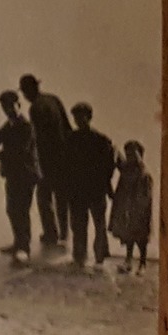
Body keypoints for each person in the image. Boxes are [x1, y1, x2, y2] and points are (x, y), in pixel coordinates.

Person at [0, 89, 39, 263]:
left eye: (10, 105)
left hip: (26, 174)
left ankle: (24, 247)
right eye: (4, 106)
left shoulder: (26, 127)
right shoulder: (10, 125)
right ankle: (18, 242)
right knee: (12, 209)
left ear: (18, 105)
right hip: (14, 175)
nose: (7, 109)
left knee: (21, 210)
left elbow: (18, 153)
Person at [20, 73, 72, 248]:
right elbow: (67, 127)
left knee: (43, 197)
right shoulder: (53, 99)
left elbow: (39, 139)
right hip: (64, 156)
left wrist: (36, 162)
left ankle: (51, 233)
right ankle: (65, 234)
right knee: (62, 197)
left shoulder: (35, 108)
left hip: (48, 160)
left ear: (28, 92)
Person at [63, 102, 115, 267]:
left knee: (99, 224)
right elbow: (65, 166)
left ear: (89, 117)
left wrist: (106, 185)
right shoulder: (71, 139)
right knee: (79, 225)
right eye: (76, 117)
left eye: (81, 117)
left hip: (95, 190)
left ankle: (99, 256)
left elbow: (109, 166)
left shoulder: (101, 140)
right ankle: (80, 257)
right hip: (79, 190)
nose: (78, 120)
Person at [109, 140, 153, 274]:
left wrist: (138, 209)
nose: (130, 157)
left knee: (141, 238)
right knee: (128, 237)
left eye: (133, 153)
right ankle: (128, 261)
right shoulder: (127, 171)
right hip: (127, 209)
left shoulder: (144, 174)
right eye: (128, 154)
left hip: (140, 211)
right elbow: (121, 189)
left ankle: (142, 263)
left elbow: (145, 197)